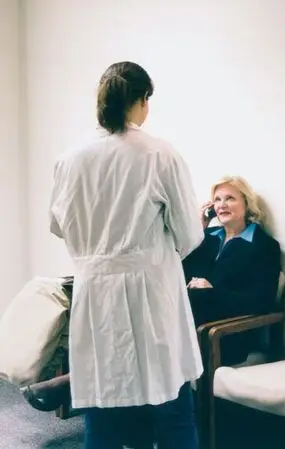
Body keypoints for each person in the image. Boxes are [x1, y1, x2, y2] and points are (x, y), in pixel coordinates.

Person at [45, 61, 205, 449]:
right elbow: (189, 235)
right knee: (173, 408)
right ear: (141, 101)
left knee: (104, 408)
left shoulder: (71, 159)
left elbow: (58, 226)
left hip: (96, 296)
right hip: (151, 296)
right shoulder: (159, 154)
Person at [22, 177, 283, 414]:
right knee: (137, 328)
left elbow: (261, 301)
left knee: (141, 347)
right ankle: (101, 398)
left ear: (247, 204)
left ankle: (74, 382)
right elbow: (176, 272)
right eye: (217, 199)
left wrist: (213, 293)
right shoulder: (208, 238)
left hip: (222, 334)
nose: (221, 205)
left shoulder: (264, 246)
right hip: (180, 328)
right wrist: (197, 230)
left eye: (230, 198)